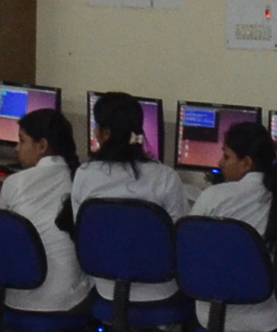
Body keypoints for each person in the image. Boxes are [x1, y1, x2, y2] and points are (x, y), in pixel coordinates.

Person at [68, 93, 194, 316]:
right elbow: (180, 238)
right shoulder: (165, 177)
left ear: (105, 133)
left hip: (106, 286)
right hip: (159, 288)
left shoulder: (84, 175)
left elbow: (83, 233)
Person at [188, 120, 277, 332]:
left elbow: (188, 253)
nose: (220, 163)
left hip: (212, 316)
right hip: (267, 319)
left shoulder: (212, 197)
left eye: (226, 156)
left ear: (246, 163)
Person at [0, 106, 93, 320]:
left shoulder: (13, 183)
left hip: (16, 295)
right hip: (66, 299)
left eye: (22, 141)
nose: (16, 149)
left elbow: (3, 242)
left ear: (42, 146)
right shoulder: (82, 180)